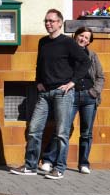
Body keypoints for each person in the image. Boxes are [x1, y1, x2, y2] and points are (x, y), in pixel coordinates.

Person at [10, 9, 90, 179]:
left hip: (63, 93)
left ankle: (59, 168)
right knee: (34, 129)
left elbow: (85, 61)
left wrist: (73, 82)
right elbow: (39, 64)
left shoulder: (68, 43)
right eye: (46, 21)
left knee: (61, 132)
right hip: (44, 94)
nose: (48, 24)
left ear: (60, 23)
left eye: (52, 21)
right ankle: (30, 166)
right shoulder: (42, 42)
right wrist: (38, 81)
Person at [40, 26, 105, 175]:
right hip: (71, 95)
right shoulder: (67, 52)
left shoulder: (92, 56)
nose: (83, 39)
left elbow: (101, 77)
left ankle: (83, 163)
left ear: (89, 42)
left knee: (86, 132)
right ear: (75, 36)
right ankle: (48, 160)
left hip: (89, 97)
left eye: (86, 38)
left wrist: (94, 92)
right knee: (62, 128)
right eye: (81, 35)